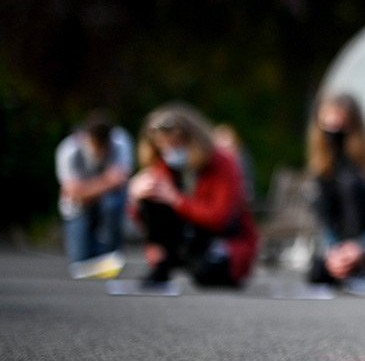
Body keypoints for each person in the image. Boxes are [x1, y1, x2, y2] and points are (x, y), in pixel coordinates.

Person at [128, 103, 259, 288]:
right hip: (187, 237)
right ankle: (162, 263)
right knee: (150, 198)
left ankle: (199, 262)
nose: (169, 149)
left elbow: (219, 217)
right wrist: (134, 196)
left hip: (219, 238)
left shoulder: (222, 163)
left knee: (208, 274)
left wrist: (176, 199)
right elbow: (146, 213)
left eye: (174, 143)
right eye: (162, 145)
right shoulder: (164, 164)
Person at [303, 92, 365, 293]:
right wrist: (335, 251)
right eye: (328, 127)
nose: (334, 134)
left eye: (341, 126)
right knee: (317, 271)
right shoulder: (324, 165)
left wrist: (363, 247)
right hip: (342, 247)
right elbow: (325, 217)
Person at [54, 111, 133, 278]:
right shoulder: (69, 150)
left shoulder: (120, 142)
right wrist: (106, 181)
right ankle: (98, 250)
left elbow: (120, 181)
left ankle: (112, 253)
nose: (101, 151)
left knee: (114, 202)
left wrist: (89, 188)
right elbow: (73, 193)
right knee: (81, 261)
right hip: (78, 207)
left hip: (106, 202)